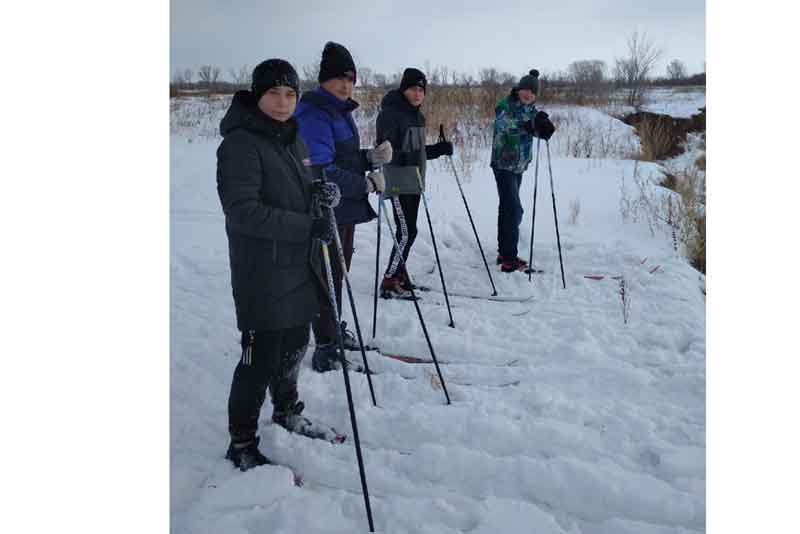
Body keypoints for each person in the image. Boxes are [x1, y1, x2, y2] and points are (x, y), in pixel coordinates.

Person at [216, 59, 342, 471]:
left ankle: (287, 409)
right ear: (257, 94)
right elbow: (243, 212)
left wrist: (321, 194)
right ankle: (242, 443)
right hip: (262, 272)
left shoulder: (293, 138)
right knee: (259, 359)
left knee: (294, 345)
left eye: (290, 94)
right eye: (273, 93)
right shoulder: (240, 144)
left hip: (298, 266)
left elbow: (300, 189)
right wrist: (308, 225)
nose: (283, 102)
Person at [294, 42, 392, 371]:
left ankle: (333, 330)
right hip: (324, 208)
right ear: (323, 79)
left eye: (350, 79)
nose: (345, 84)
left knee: (337, 272)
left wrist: (369, 157)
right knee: (325, 276)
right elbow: (320, 169)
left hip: (343, 206)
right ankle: (325, 347)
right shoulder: (314, 113)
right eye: (338, 78)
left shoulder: (339, 110)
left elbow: (343, 158)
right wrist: (363, 184)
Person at [375, 68, 453, 298]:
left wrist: (438, 150)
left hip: (415, 180)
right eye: (413, 89)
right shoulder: (390, 114)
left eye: (421, 90)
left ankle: (399, 274)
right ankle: (389, 281)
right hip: (398, 181)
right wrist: (403, 156)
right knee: (406, 231)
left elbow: (416, 152)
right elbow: (384, 151)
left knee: (409, 230)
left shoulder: (417, 116)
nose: (418, 94)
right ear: (403, 89)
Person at [490, 69, 556, 273]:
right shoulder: (505, 106)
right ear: (519, 89)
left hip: (519, 166)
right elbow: (504, 126)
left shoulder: (531, 110)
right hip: (503, 165)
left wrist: (544, 129)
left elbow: (534, 127)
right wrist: (529, 126)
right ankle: (509, 259)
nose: (528, 94)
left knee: (507, 209)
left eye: (532, 92)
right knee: (514, 210)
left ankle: (504, 252)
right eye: (525, 90)